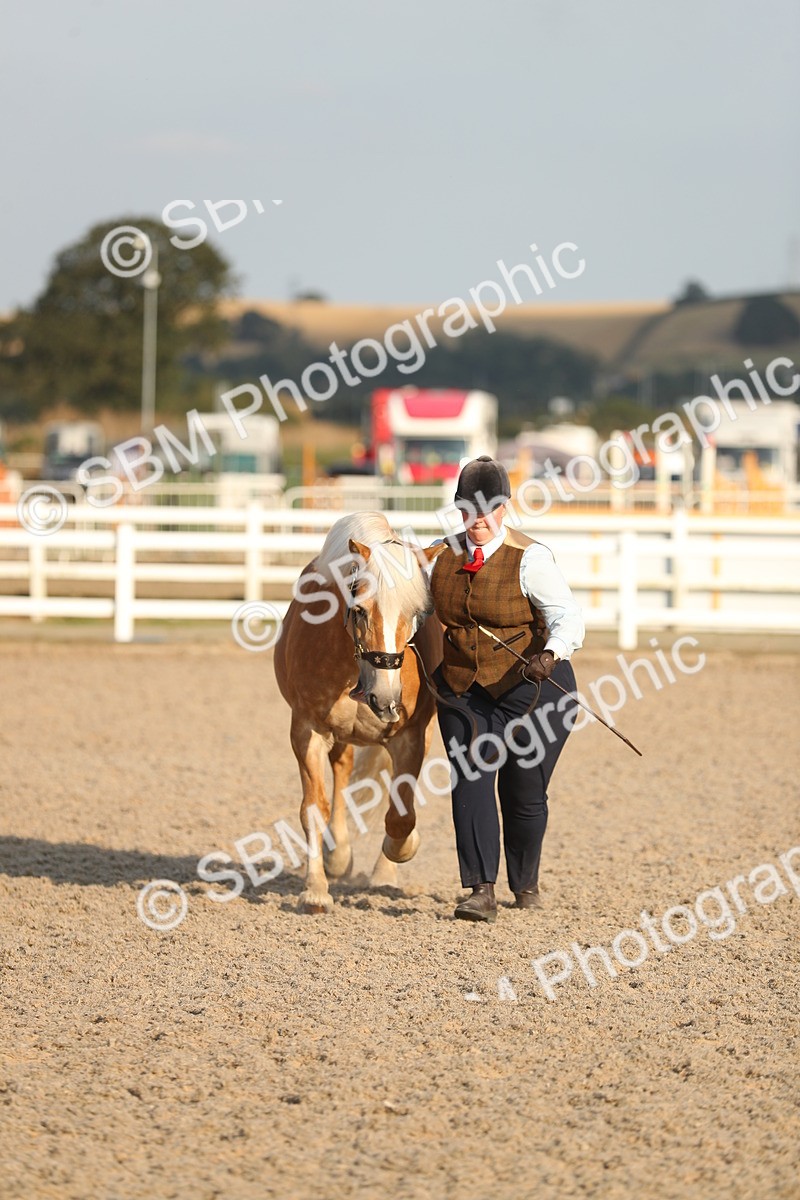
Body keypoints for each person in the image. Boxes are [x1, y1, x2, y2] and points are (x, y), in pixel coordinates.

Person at [428, 455, 584, 923]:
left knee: (524, 792)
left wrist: (550, 653)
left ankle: (526, 882)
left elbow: (567, 617)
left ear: (503, 509)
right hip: (463, 687)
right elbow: (413, 612)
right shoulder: (438, 556)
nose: (475, 520)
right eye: (466, 510)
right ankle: (481, 889)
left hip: (534, 687)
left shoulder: (530, 558)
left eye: (485, 510)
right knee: (470, 779)